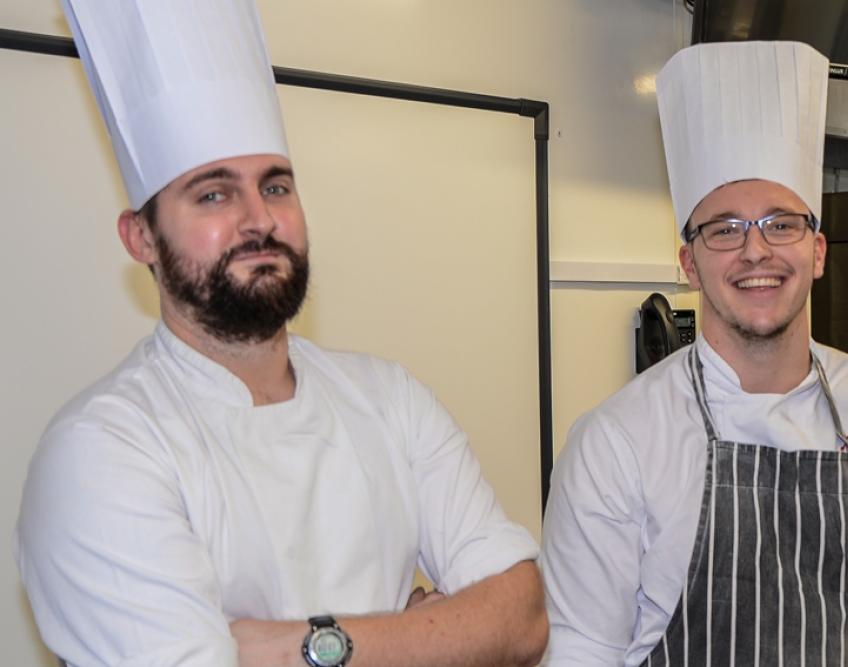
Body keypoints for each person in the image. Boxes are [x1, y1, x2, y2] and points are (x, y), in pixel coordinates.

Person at [15, 2, 547, 666]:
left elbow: (523, 619)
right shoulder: (101, 448)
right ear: (141, 237)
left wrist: (293, 646)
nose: (258, 220)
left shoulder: (389, 398)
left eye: (275, 187)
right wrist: (431, 637)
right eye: (213, 194)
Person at [540, 41, 848, 666]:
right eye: (724, 229)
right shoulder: (615, 443)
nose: (756, 251)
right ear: (689, 263)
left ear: (817, 251)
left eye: (780, 223)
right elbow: (581, 654)